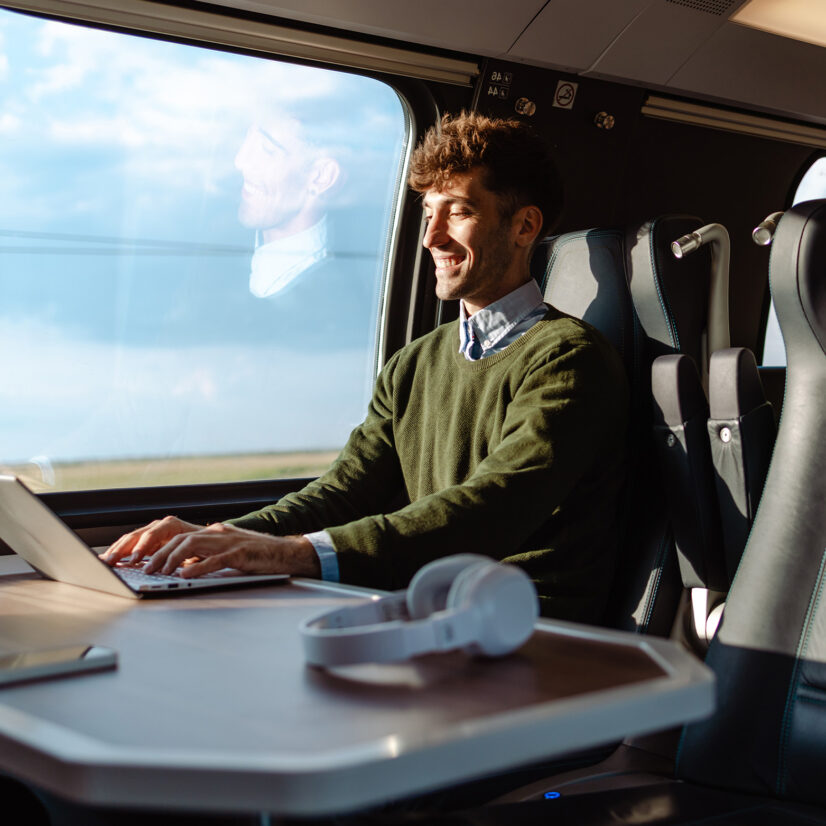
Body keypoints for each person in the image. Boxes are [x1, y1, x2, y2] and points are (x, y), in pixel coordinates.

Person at [103, 112, 629, 622]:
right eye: (429, 214)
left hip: (531, 633)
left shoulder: (569, 357)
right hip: (430, 615)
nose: (432, 238)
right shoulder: (414, 363)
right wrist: (216, 537)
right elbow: (342, 493)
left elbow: (489, 510)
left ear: (524, 227)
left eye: (459, 212)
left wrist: (291, 555)